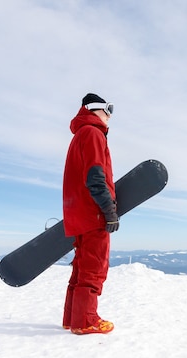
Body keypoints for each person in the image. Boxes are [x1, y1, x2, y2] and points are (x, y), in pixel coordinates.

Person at [62, 93, 119, 335]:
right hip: (92, 213)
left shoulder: (80, 135)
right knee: (93, 268)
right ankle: (86, 321)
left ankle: (71, 319)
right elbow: (96, 177)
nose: (109, 115)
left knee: (80, 268)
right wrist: (109, 211)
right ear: (95, 109)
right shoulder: (93, 133)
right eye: (108, 109)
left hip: (77, 214)